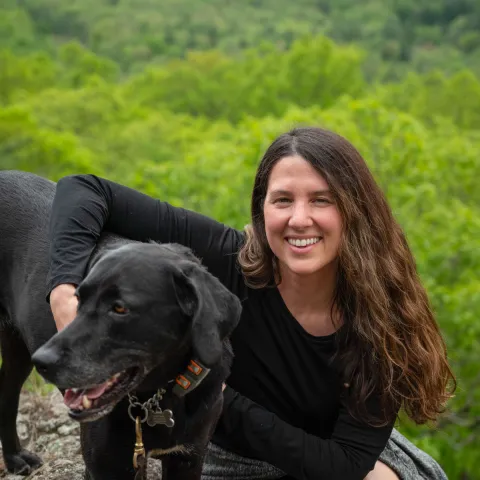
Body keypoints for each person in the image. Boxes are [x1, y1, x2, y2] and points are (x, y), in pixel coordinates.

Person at [46, 127, 455, 480]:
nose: (299, 219)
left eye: (321, 200)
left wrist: (218, 392)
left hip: (332, 454)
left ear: (356, 212)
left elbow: (344, 466)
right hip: (228, 455)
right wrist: (64, 288)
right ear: (261, 209)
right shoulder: (226, 258)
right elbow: (85, 189)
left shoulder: (384, 321)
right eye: (282, 200)